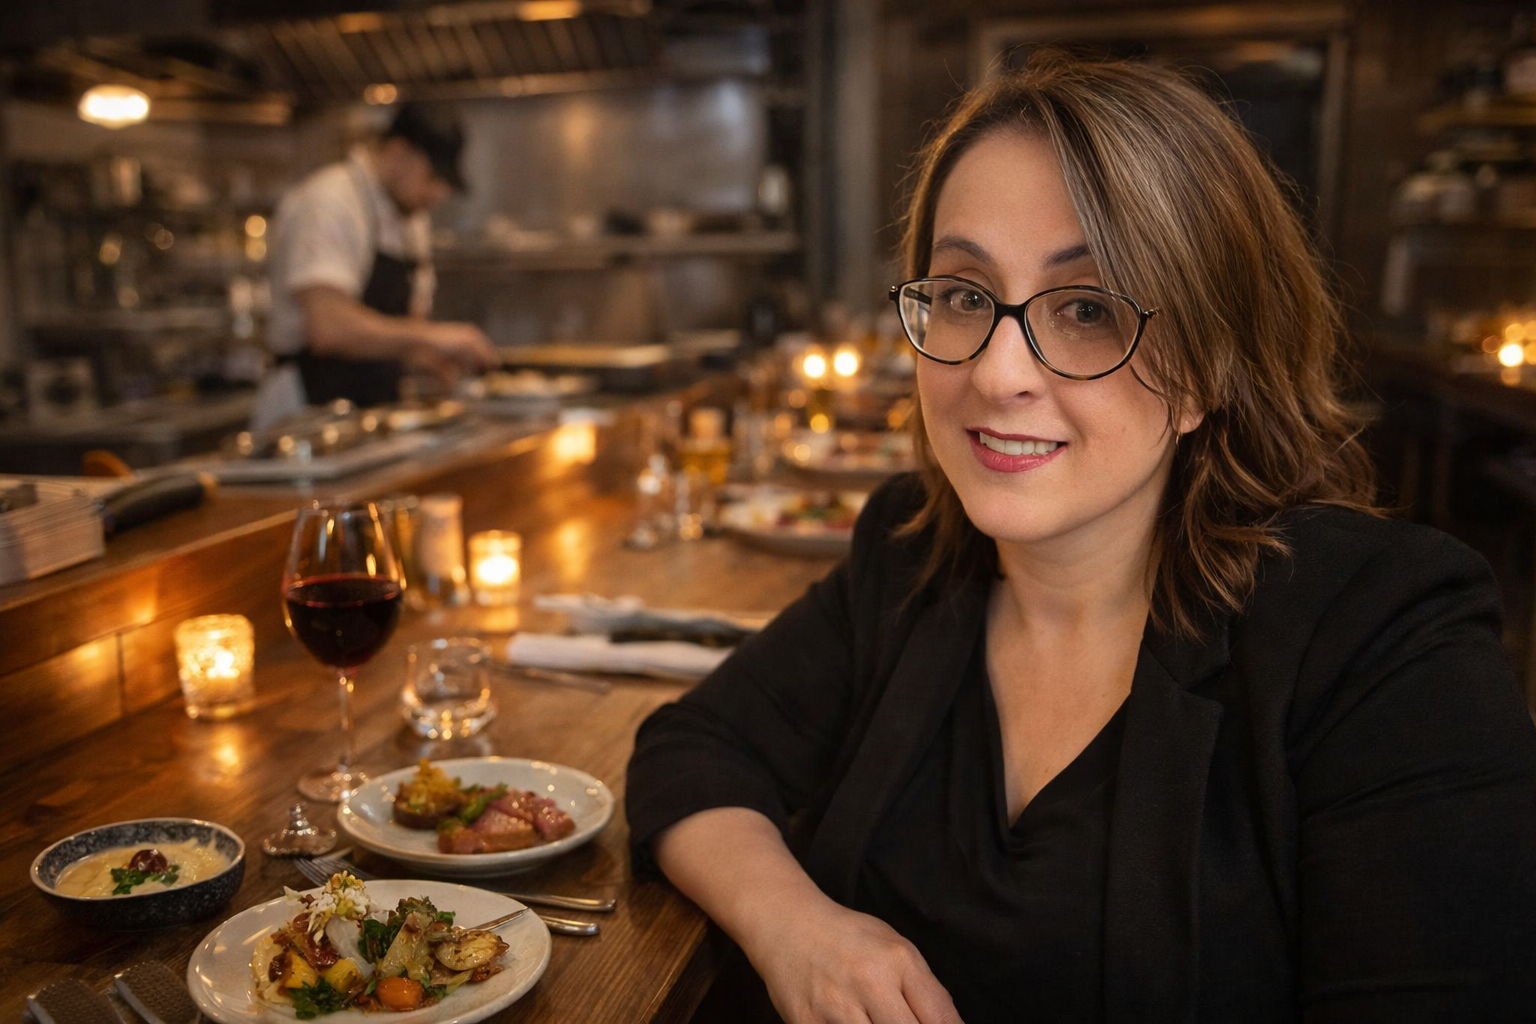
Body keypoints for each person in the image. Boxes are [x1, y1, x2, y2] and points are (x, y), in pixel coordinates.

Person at [625, 51, 1536, 1024]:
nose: (996, 372)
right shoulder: (912, 553)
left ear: (1210, 365)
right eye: (966, 294)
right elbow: (692, 749)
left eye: (1089, 309)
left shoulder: (1383, 641)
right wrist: (795, 925)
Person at [252, 103, 496, 429]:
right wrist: (437, 337)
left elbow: (394, 333)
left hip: (374, 409)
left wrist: (432, 360)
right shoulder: (329, 201)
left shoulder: (410, 220)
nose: (438, 194)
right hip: (306, 413)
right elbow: (329, 328)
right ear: (398, 153)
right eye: (433, 177)